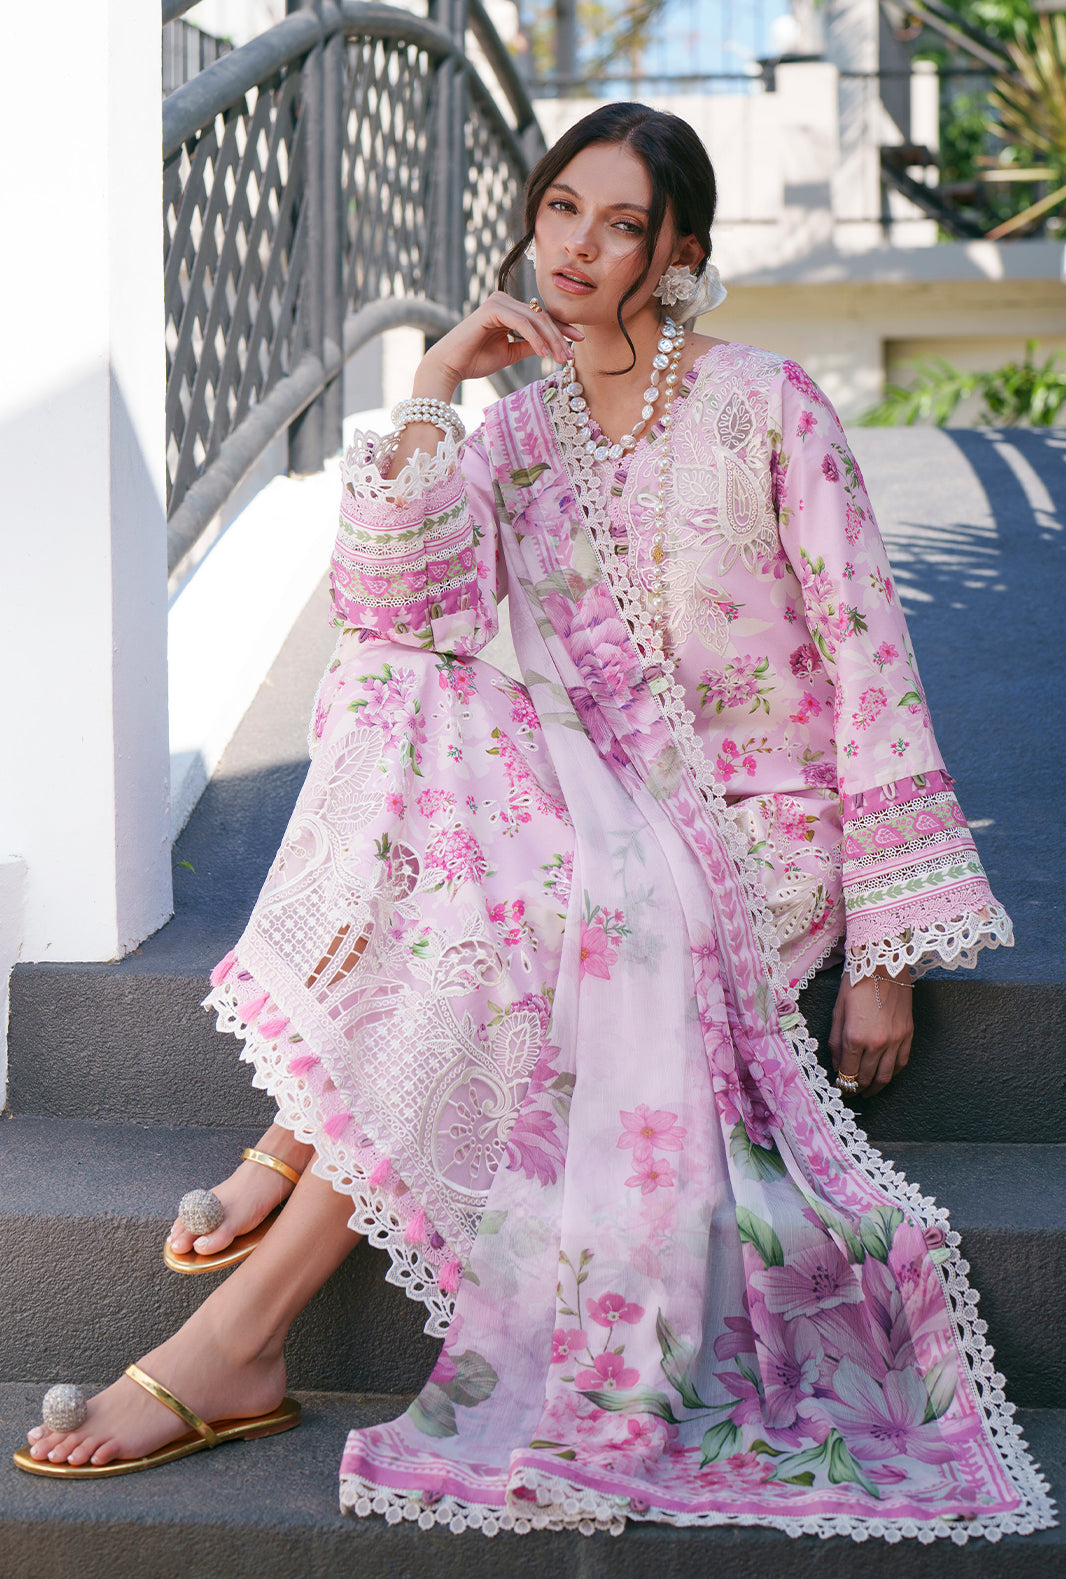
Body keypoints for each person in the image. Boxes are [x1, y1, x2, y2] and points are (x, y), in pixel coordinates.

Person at [17, 103, 1053, 1545]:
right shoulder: (511, 431)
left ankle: (254, 1287)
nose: (577, 246)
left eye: (621, 225)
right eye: (562, 208)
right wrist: (435, 385)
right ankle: (270, 1250)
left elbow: (870, 661)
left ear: (677, 253)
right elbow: (399, 614)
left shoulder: (766, 405)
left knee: (516, 921)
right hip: (589, 815)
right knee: (412, 695)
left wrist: (885, 949)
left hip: (749, 835)